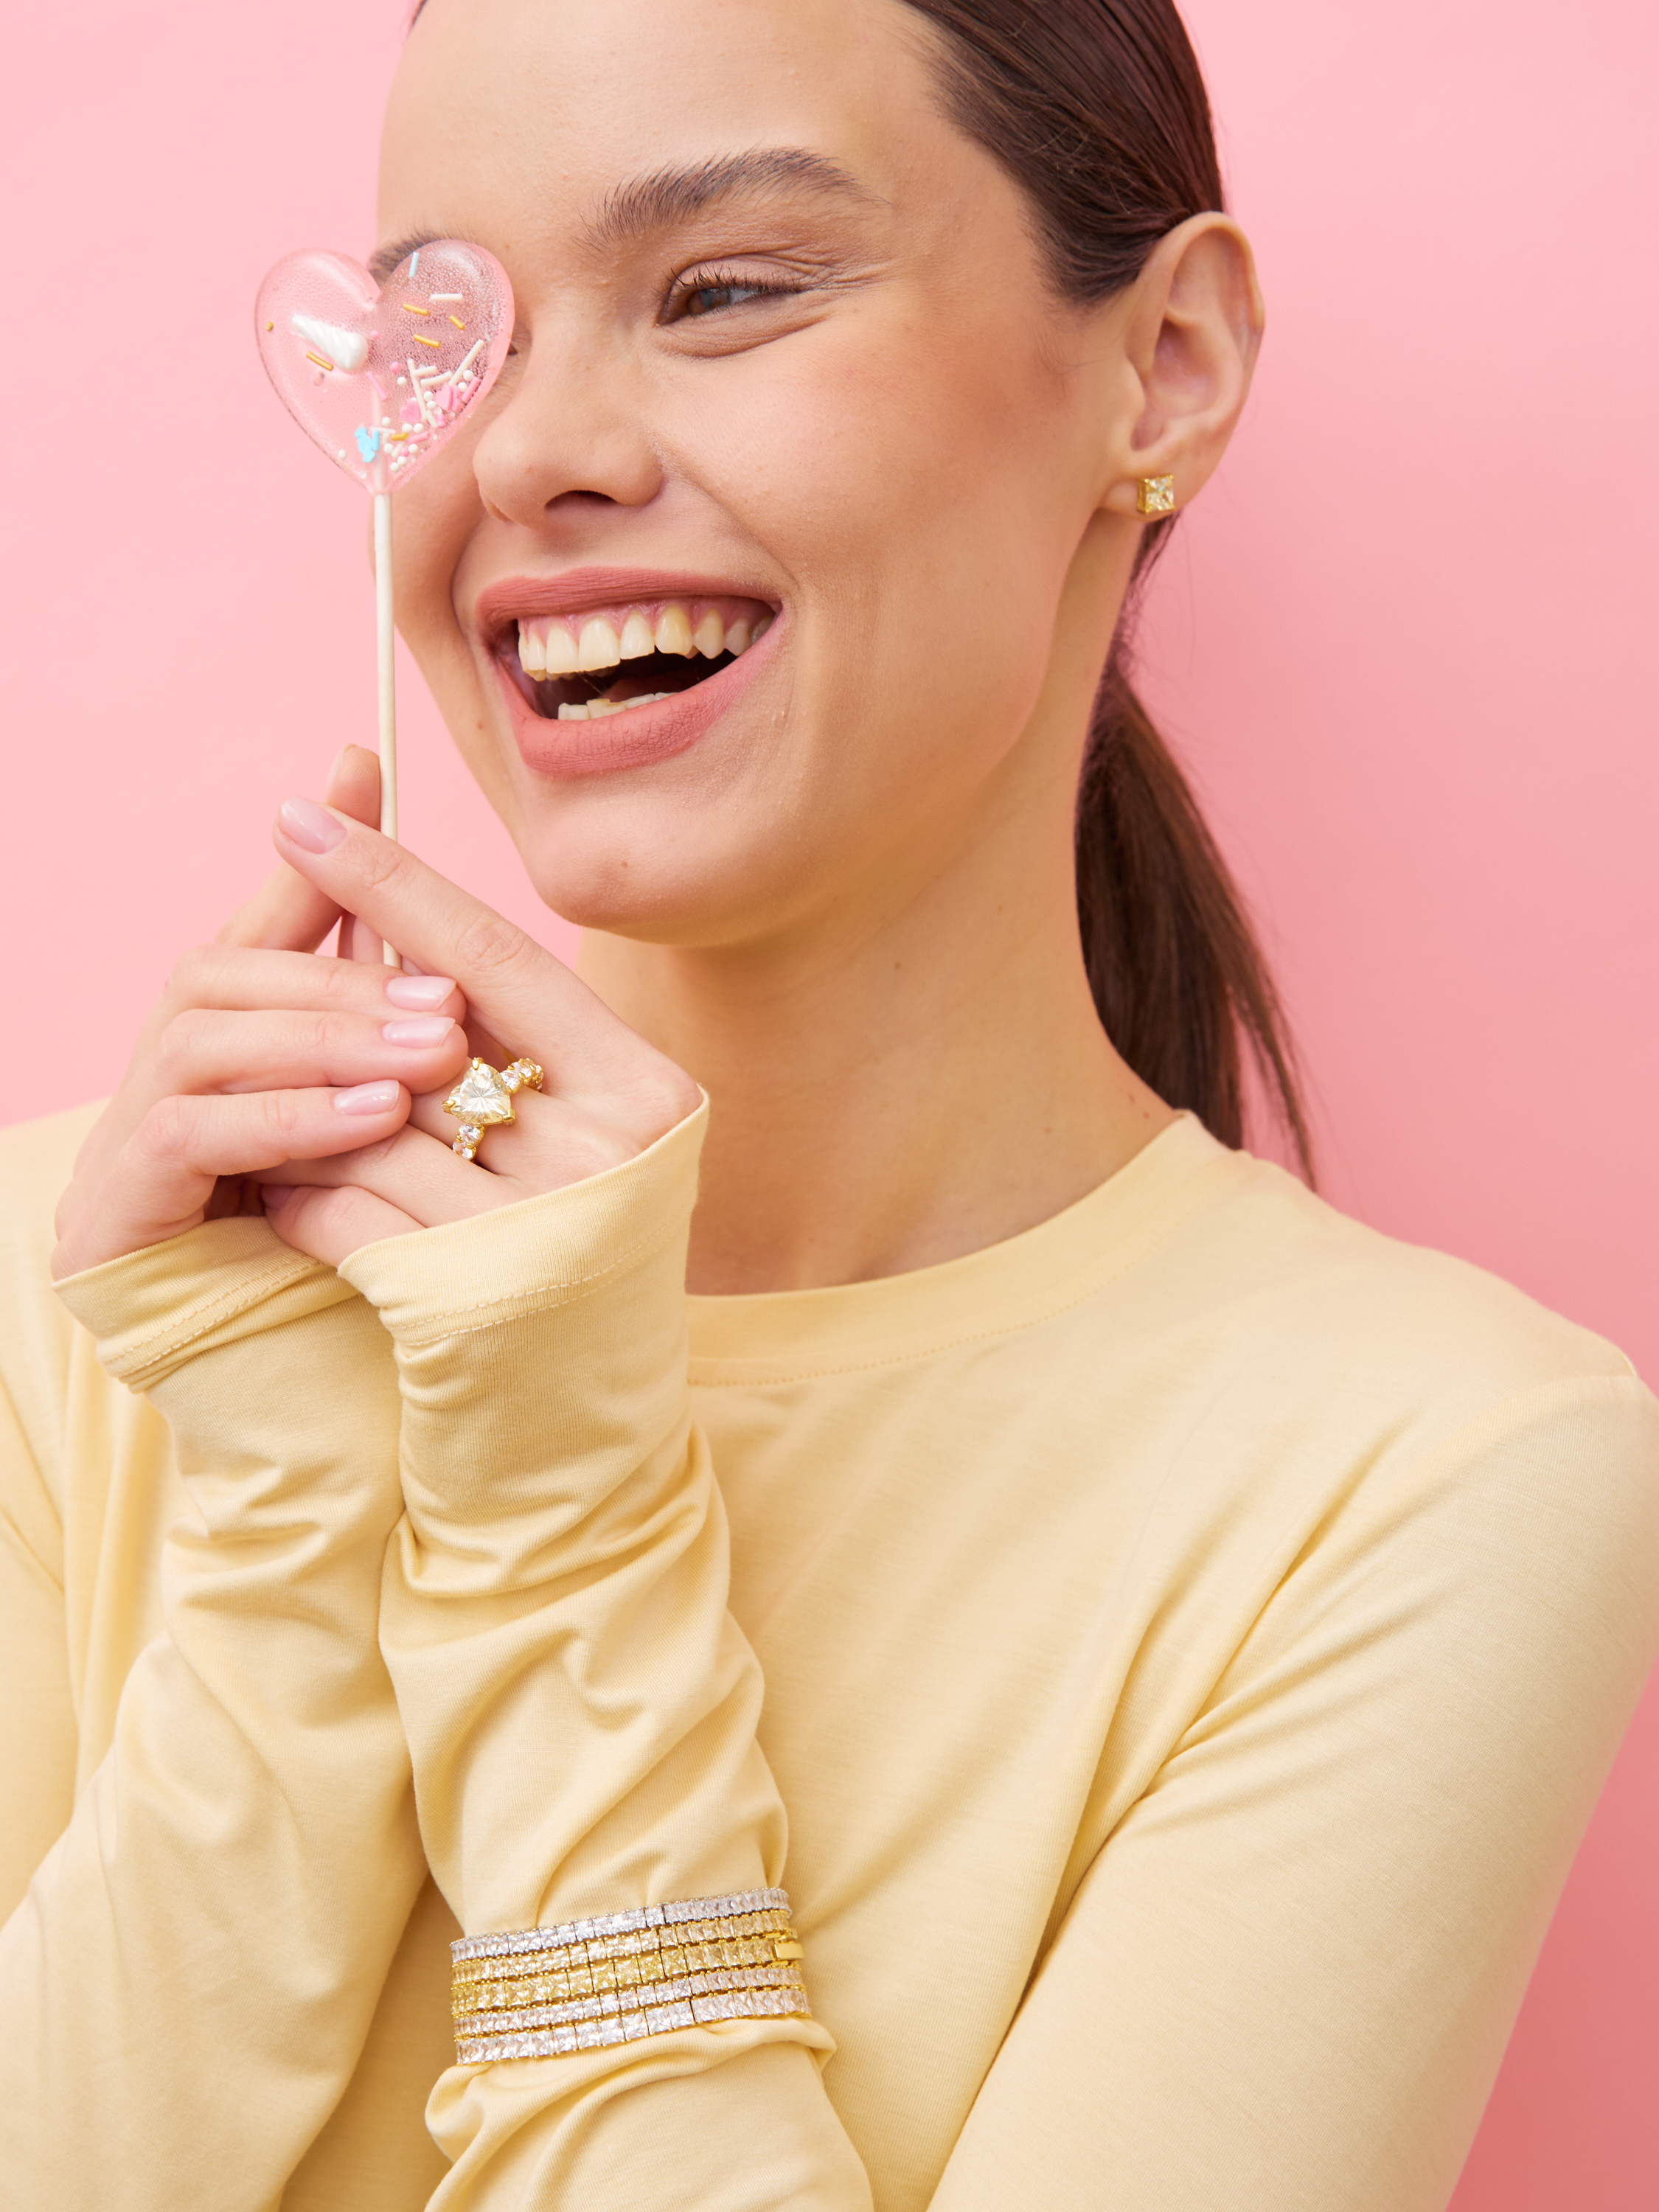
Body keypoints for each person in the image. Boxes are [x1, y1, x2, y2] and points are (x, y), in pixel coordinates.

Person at [1, 0, 1655, 2205]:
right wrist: (294, 1536)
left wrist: (557, 1513)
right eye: (449, 336)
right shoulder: (104, 1304)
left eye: (724, 290)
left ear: (1162, 364)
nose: (523, 455)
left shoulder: (1425, 1475)